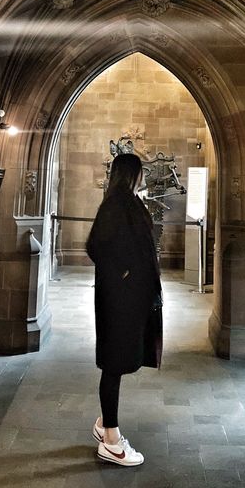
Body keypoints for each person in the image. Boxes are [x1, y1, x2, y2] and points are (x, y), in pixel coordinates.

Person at [86, 152, 163, 467]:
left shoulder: (125, 201)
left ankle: (106, 422)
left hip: (129, 299)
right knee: (114, 364)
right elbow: (97, 247)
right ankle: (111, 439)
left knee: (118, 361)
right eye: (141, 171)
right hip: (120, 301)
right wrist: (124, 275)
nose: (144, 176)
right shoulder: (116, 204)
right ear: (132, 173)